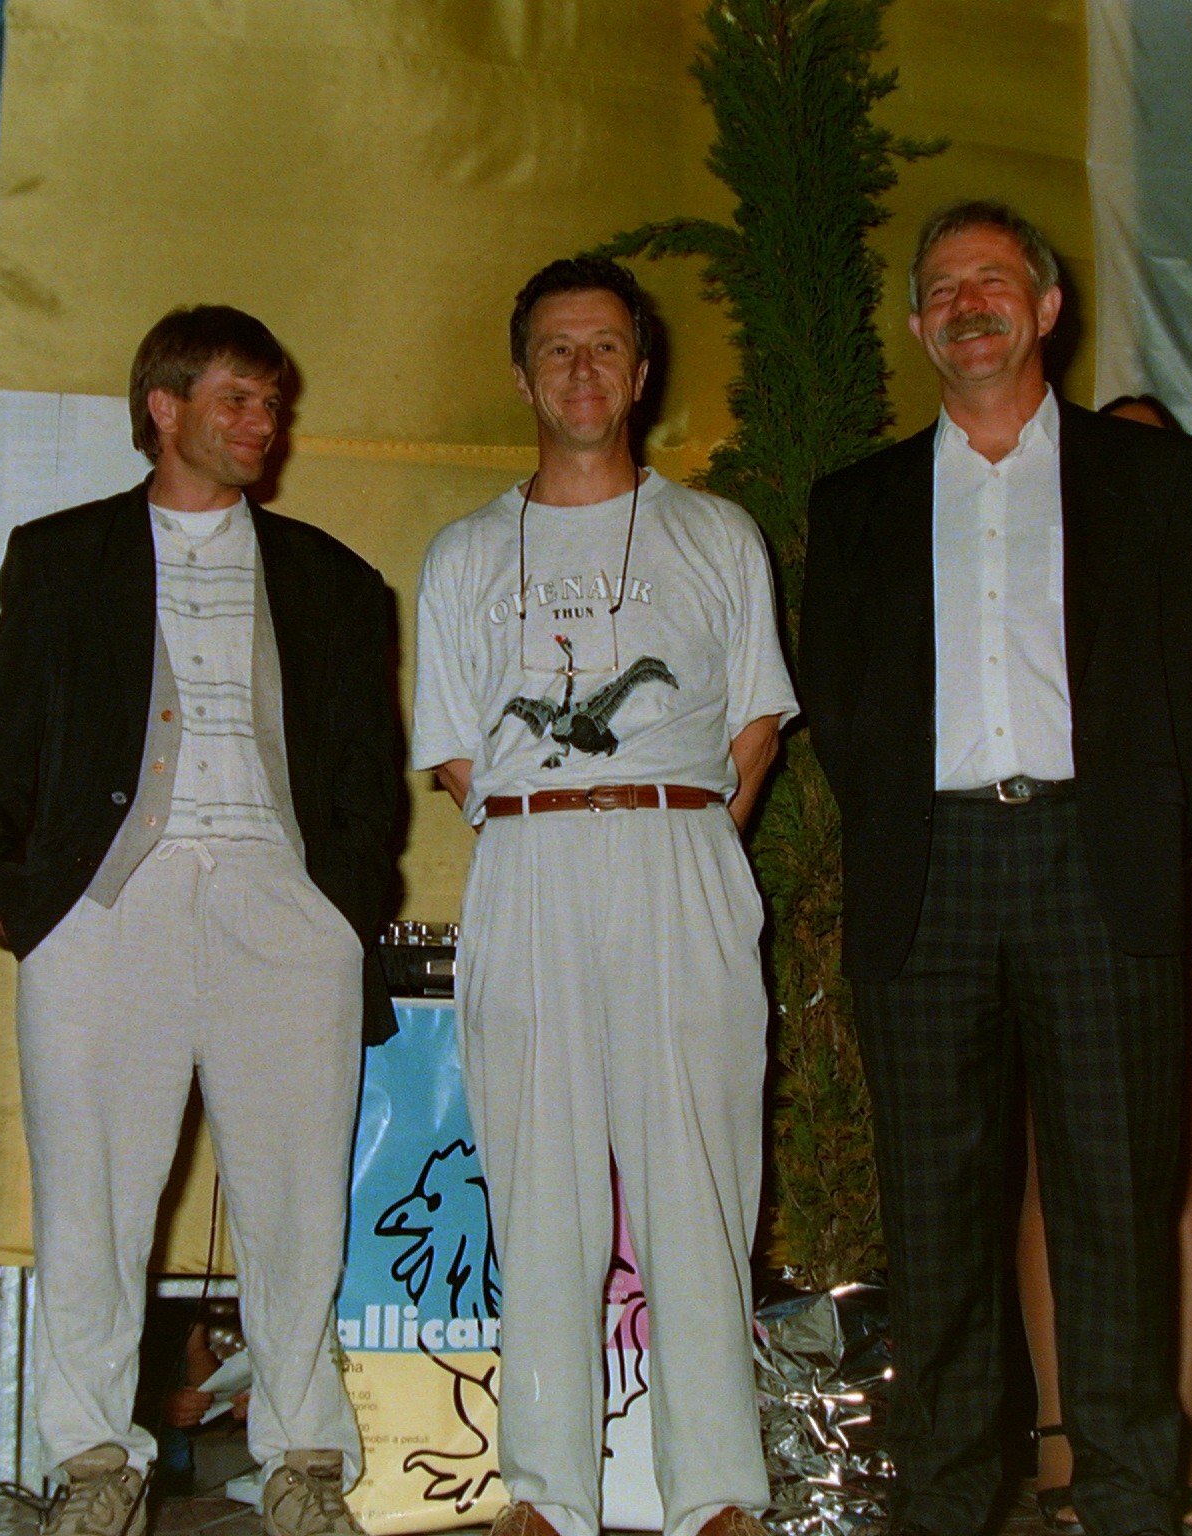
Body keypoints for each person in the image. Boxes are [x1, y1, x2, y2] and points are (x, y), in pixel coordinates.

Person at [800, 200, 1192, 1536]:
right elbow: (839, 695)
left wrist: (1138, 820)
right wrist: (908, 817)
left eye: (992, 280)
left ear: (1047, 309)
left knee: (1115, 1210)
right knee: (936, 1222)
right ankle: (944, 1505)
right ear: (916, 324)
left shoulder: (1153, 477)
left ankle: (1125, 1501)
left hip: (1096, 868)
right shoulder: (860, 502)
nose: (968, 303)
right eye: (942, 287)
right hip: (928, 876)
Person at [0, 305, 398, 1536]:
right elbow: (0, 751)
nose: (263, 423)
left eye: (272, 403)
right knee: (90, 1201)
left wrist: (340, 910)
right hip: (106, 904)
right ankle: (94, 1463)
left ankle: (303, 1458)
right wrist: (5, 891)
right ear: (164, 406)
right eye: (237, 399)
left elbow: (366, 780)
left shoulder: (335, 581)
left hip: (283, 902)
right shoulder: (61, 556)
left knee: (298, 1202)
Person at [411, 256, 794, 1536]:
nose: (582, 371)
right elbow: (454, 750)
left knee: (698, 1181)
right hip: (528, 865)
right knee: (540, 1187)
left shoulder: (714, 534)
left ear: (640, 372)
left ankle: (716, 1494)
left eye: (606, 348)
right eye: (556, 350)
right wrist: (562, 825)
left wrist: (681, 843)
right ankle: (544, 1493)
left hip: (679, 855)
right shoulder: (466, 552)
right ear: (524, 377)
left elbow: (754, 726)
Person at [1017, 393, 1192, 1536]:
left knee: (1178, 1168)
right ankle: (1061, 1431)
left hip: (1180, 864)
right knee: (1050, 1170)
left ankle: (1179, 1430)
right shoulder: (1021, 572)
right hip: (1040, 873)